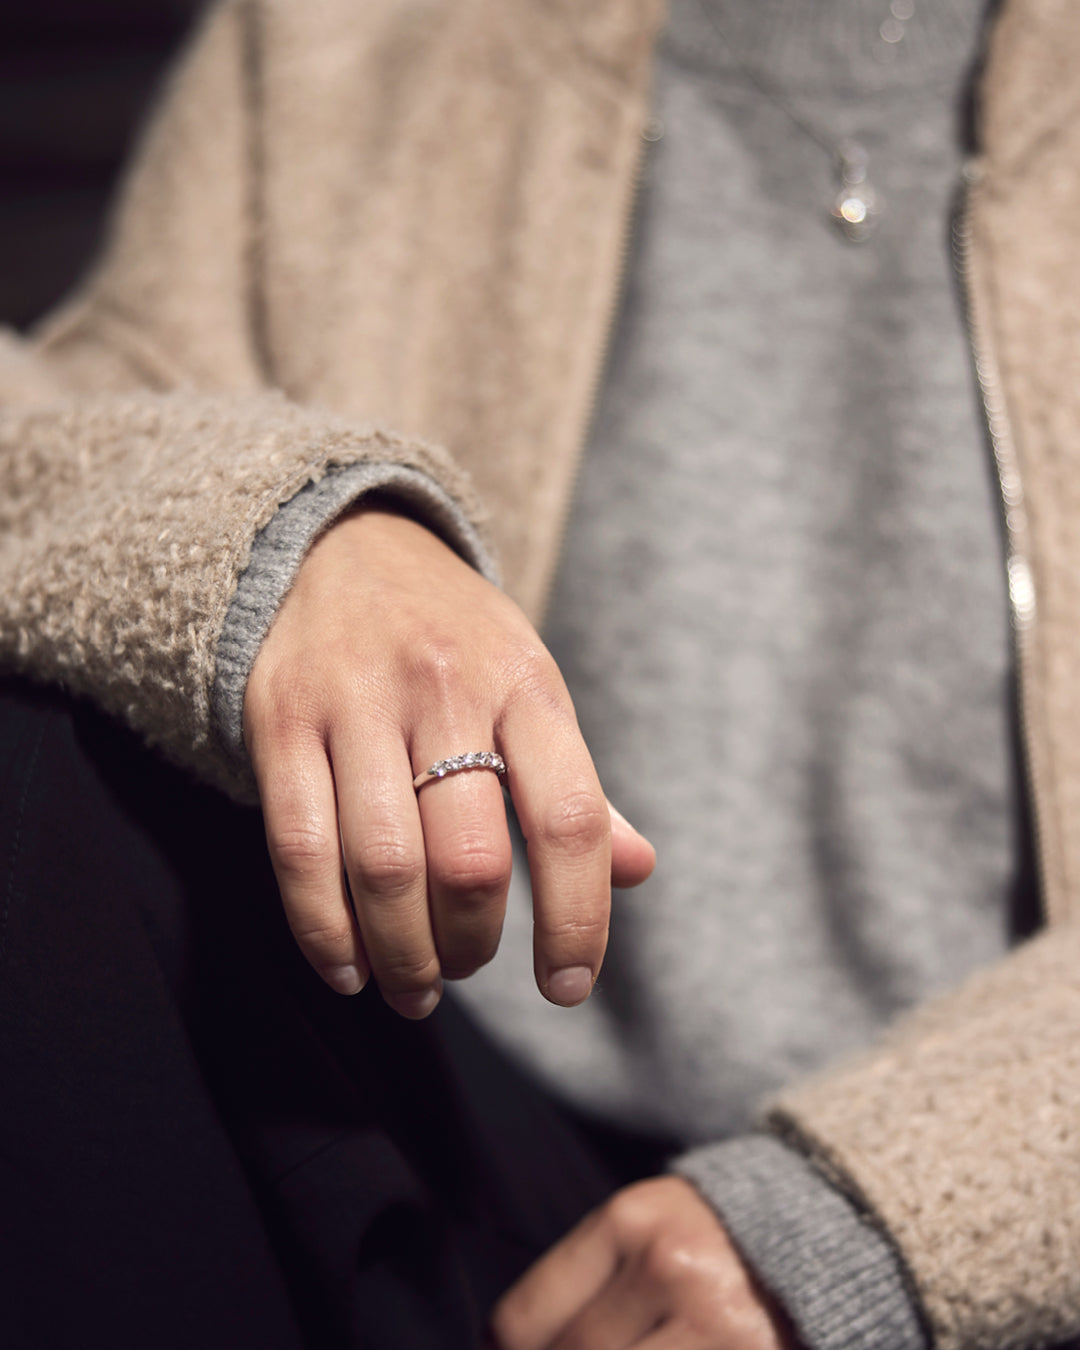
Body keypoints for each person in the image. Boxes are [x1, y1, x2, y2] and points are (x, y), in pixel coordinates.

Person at [3, 1, 1080, 1347]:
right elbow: (49, 428)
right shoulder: (348, 31)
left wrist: (879, 1215)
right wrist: (296, 533)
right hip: (433, 1085)